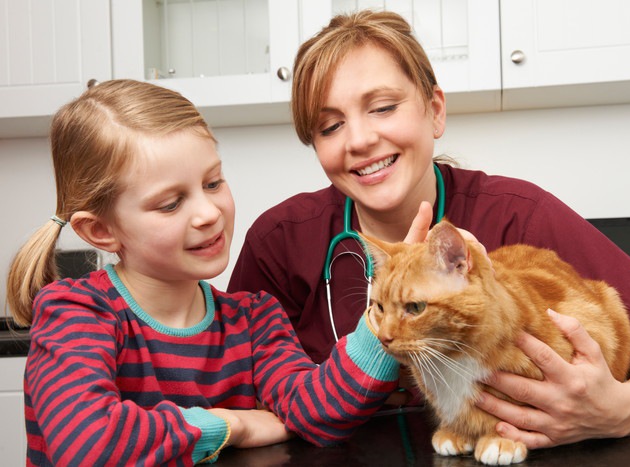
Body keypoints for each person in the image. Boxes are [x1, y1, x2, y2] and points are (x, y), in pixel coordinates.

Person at [228, 10, 630, 450]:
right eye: (330, 127)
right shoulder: (280, 242)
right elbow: (234, 393)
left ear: (434, 111)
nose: (359, 140)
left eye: (383, 107)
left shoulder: (521, 215)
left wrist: (618, 412)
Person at [5, 79, 400, 466]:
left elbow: (316, 412)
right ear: (101, 231)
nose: (209, 213)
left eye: (213, 183)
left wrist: (392, 308)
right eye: (171, 204)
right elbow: (88, 446)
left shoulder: (254, 319)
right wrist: (231, 425)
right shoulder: (75, 312)